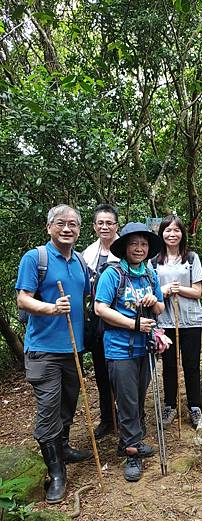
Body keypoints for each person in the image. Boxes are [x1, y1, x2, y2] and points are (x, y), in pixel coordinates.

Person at [16, 205, 92, 504]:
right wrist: (50, 308)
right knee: (48, 409)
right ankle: (57, 472)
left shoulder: (80, 263)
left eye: (73, 224)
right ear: (49, 227)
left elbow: (85, 296)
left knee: (67, 404)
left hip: (73, 348)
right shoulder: (36, 258)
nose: (67, 229)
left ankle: (63, 448)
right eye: (61, 223)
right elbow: (23, 299)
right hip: (43, 350)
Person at [94, 223, 164, 482]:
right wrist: (133, 323)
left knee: (137, 394)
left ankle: (131, 439)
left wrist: (153, 301)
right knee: (127, 400)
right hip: (119, 347)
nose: (139, 248)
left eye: (144, 244)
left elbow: (160, 308)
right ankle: (132, 452)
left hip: (144, 346)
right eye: (134, 243)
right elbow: (100, 308)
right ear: (124, 247)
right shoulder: (113, 275)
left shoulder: (149, 274)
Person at [148, 214, 202, 429]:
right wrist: (162, 291)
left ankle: (195, 406)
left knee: (191, 364)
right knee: (169, 365)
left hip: (190, 320)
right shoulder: (153, 261)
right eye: (168, 230)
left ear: (183, 234)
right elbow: (151, 292)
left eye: (176, 230)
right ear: (161, 233)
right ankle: (170, 405)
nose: (172, 234)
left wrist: (178, 289)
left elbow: (198, 291)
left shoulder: (191, 258)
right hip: (164, 320)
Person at [82, 204, 119, 439]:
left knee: (122, 371)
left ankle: (129, 417)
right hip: (97, 320)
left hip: (123, 318)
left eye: (109, 222)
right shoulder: (87, 253)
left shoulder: (127, 248)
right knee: (101, 371)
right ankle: (108, 417)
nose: (105, 226)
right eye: (100, 223)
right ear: (94, 226)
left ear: (117, 225)